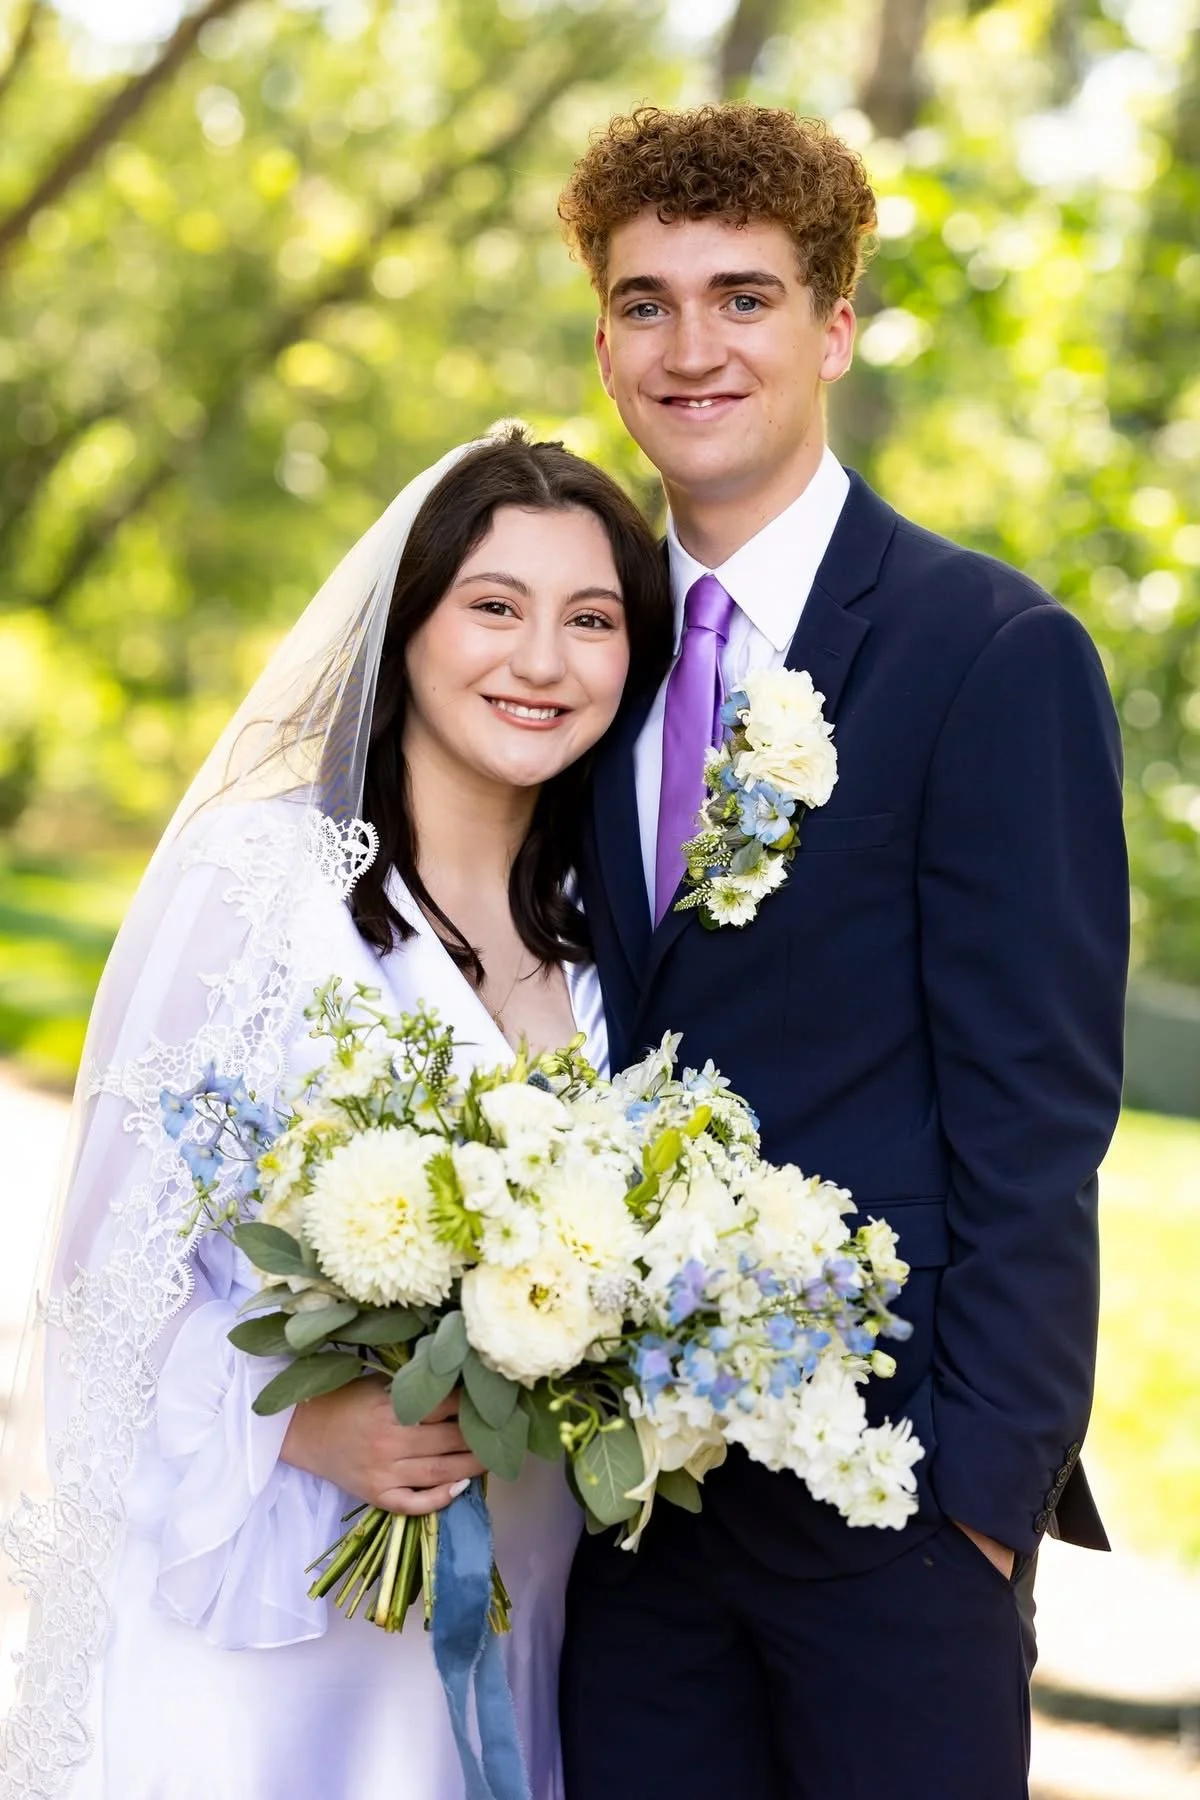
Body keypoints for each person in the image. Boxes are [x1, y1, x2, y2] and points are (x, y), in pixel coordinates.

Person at [557, 103, 1129, 1800]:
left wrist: (980, 1509)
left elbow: (1040, 1117)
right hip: (622, 1519)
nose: (693, 347)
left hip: (894, 1515)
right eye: (648, 302)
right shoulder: (574, 649)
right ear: (604, 344)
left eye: (744, 297)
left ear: (835, 329)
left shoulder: (991, 649)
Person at [0, 428, 670, 1800]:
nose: (543, 661)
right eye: (495, 606)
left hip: (519, 1604)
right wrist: (303, 1427)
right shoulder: (261, 886)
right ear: (406, 624)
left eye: (592, 620)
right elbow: (108, 1282)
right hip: (266, 1604)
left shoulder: (616, 940)